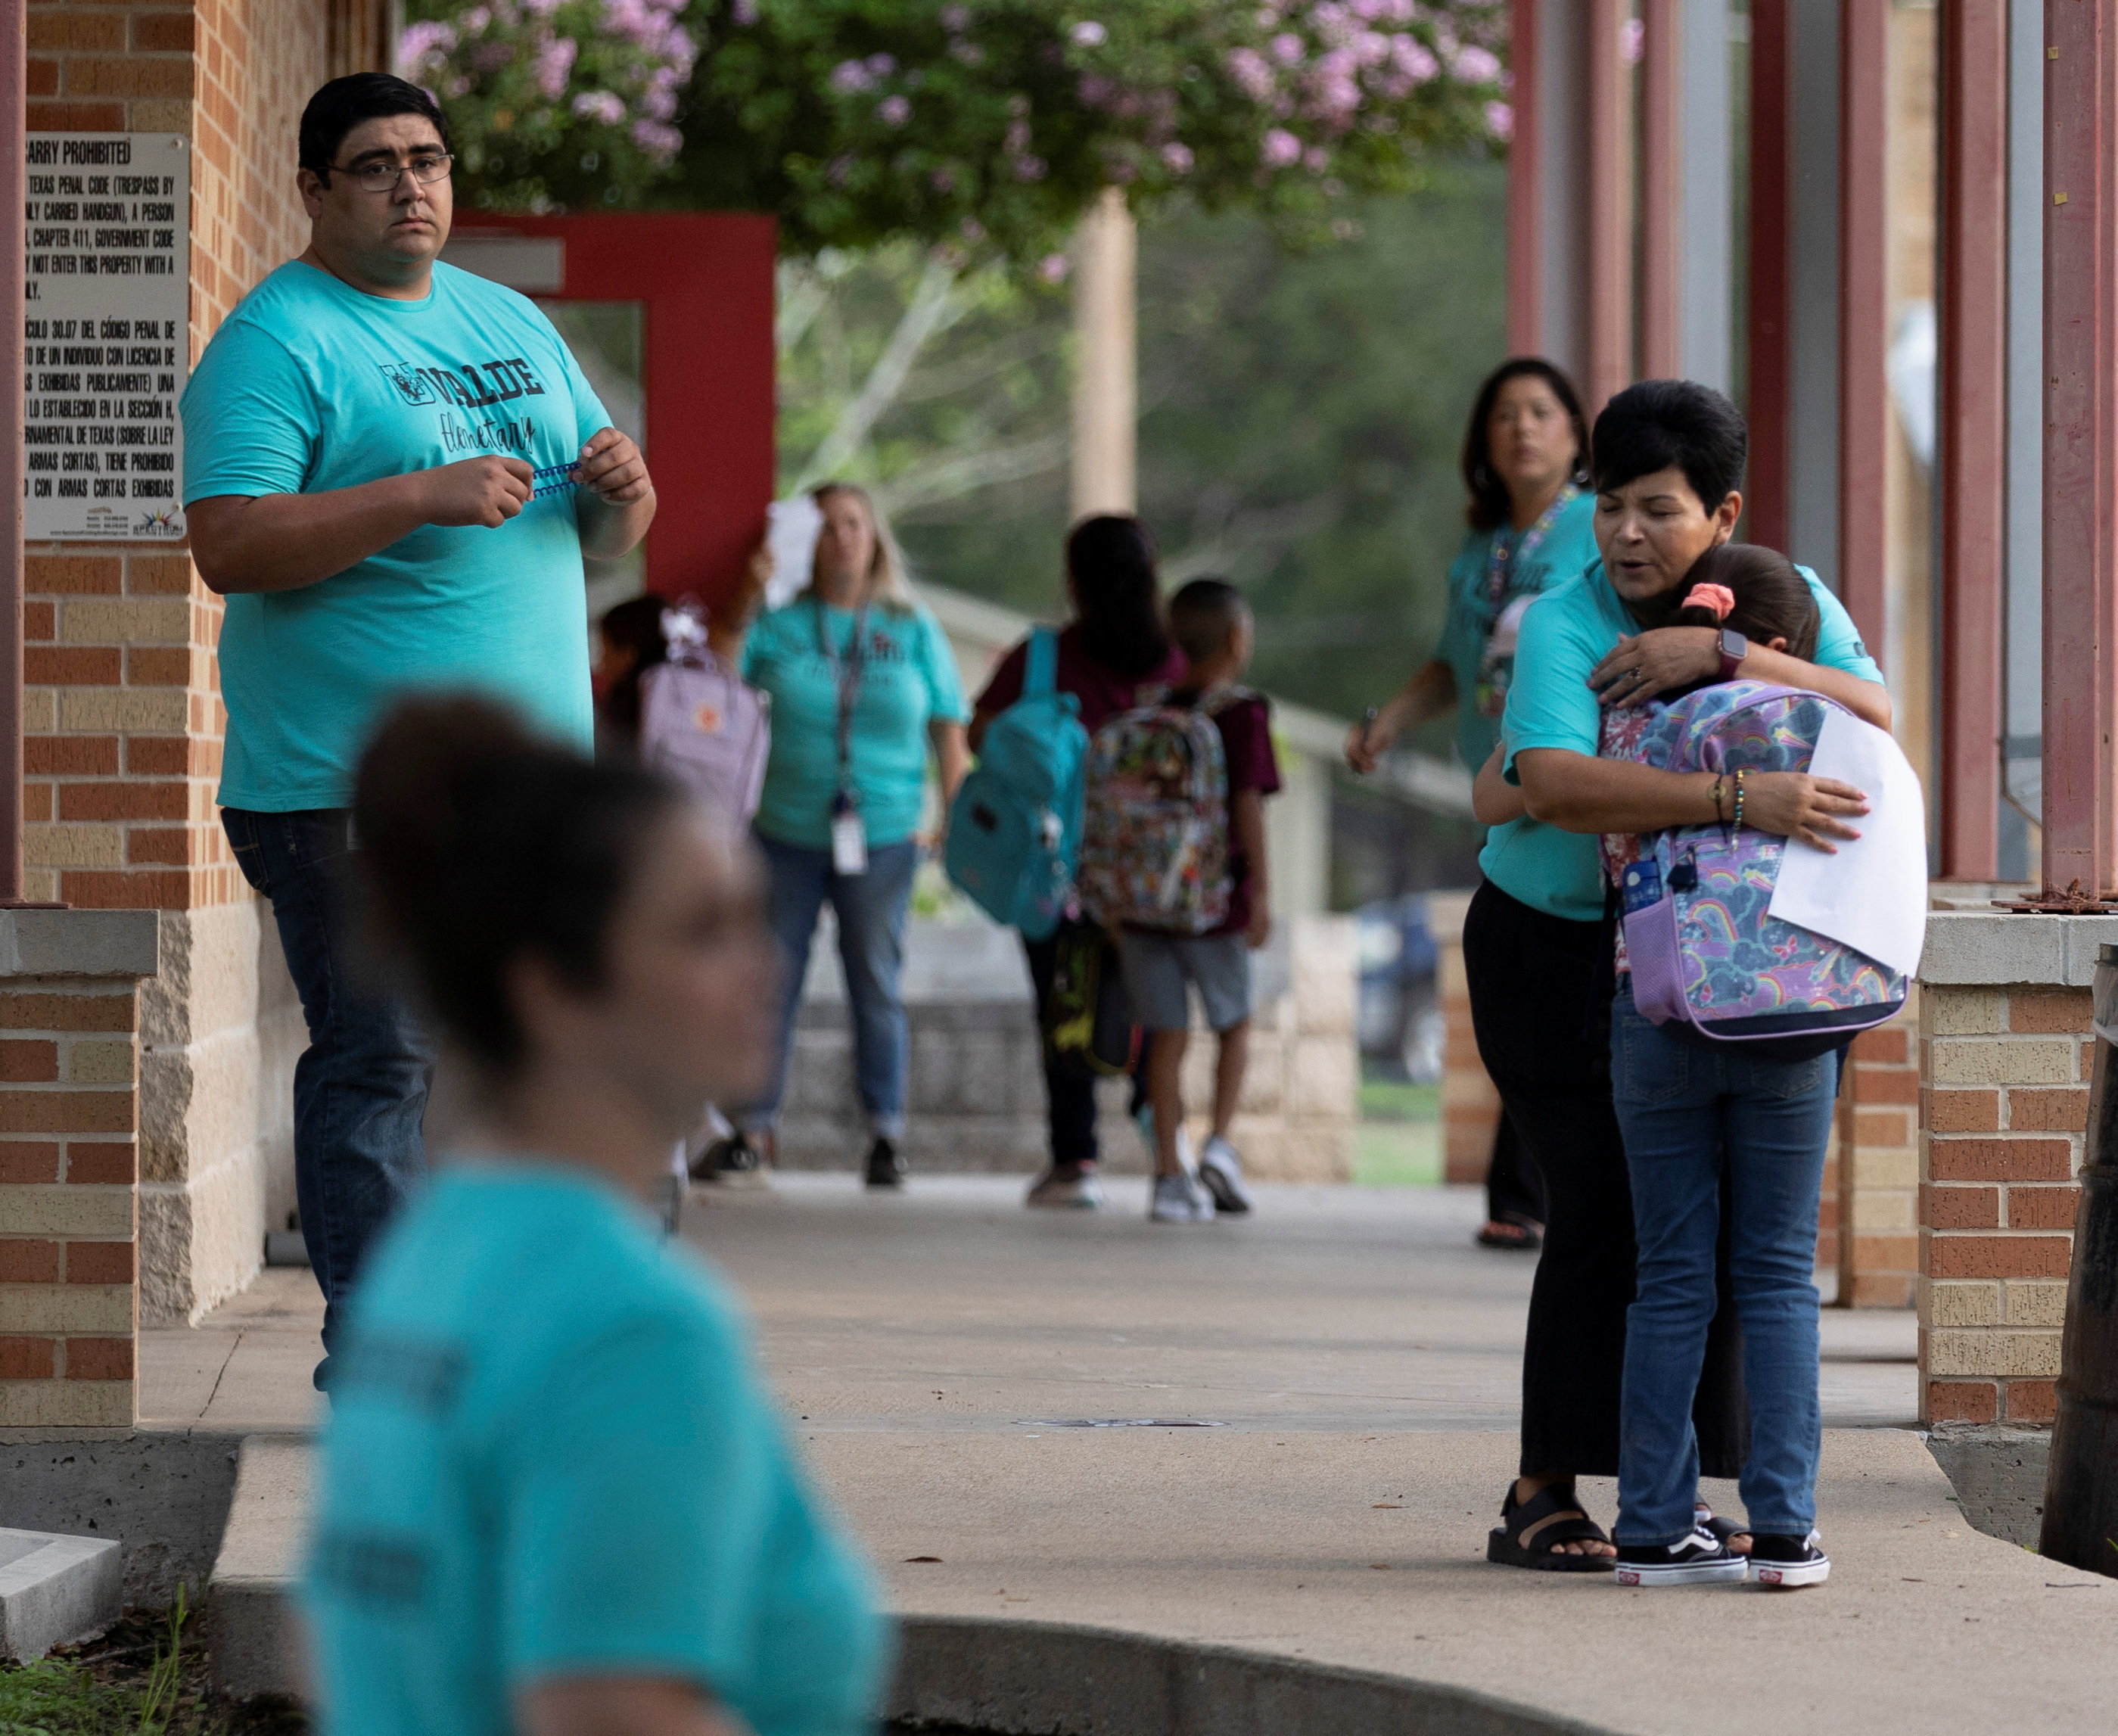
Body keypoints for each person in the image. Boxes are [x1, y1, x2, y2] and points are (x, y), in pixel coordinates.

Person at [179, 73, 654, 1387]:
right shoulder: (279, 342)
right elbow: (227, 541)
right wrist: (414, 494)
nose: (412, 184)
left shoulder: (509, 320)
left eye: (430, 159)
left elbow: (600, 534)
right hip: (349, 785)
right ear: (315, 189)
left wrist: (627, 494)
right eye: (377, 164)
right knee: (384, 1058)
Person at [303, 695, 886, 1736]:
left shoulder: (431, 1258)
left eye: (756, 919)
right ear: (549, 988)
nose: (765, 965)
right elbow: (611, 1715)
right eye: (704, 929)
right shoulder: (631, 1324)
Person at [1470, 378, 1889, 1572]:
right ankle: (1542, 1488)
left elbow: (1873, 710)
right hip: (1551, 942)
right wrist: (1733, 796)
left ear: (1721, 512)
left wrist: (1723, 652)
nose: (1627, 535)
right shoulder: (1564, 618)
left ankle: (1682, 1498)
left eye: (1657, 509)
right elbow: (1545, 782)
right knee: (1601, 1211)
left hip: (1722, 961)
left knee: (1713, 1242)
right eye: (1610, 508)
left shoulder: (1783, 596)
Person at [1346, 357, 1598, 1252]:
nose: (1522, 428)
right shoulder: (1479, 548)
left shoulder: (1597, 533)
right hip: (1495, 784)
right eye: (1503, 415)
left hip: (1570, 775)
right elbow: (1454, 663)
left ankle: (1526, 1186)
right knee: (1516, 968)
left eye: (1541, 412)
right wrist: (1390, 722)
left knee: (1549, 964)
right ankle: (1523, 1185)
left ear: (1575, 433)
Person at [702, 484, 970, 1189]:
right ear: (804, 544)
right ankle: (749, 1129)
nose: (842, 538)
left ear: (875, 538)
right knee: (770, 980)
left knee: (875, 980)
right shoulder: (782, 623)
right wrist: (744, 595)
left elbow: (948, 727)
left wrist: (954, 815)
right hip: (784, 830)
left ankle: (885, 1132)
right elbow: (719, 676)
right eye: (824, 528)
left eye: (853, 525)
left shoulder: (911, 628)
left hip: (882, 836)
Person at [970, 515, 1188, 1209]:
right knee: (1158, 1008)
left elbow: (981, 731)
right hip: (1153, 878)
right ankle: (1163, 1133)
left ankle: (1074, 1161)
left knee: (1063, 1003)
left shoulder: (1041, 660)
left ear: (1074, 581)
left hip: (1053, 870)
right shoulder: (1177, 663)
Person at [1114, 579, 1281, 1225]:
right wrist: (1260, 893)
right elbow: (1248, 807)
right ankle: (1218, 1145)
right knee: (1234, 1024)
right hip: (1214, 907)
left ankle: (1166, 1174)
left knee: (1165, 1037)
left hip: (1142, 906)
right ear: (1237, 640)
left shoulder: (1147, 709)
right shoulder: (1241, 714)